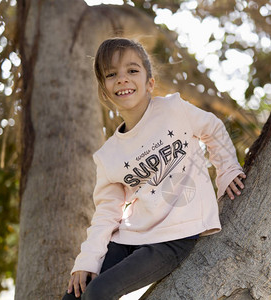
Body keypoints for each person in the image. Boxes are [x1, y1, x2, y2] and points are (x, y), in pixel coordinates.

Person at [62, 37, 246, 300]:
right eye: (112, 74)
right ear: (104, 90)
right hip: (131, 235)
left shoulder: (174, 110)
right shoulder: (108, 155)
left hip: (174, 238)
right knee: (74, 295)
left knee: (99, 293)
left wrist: (227, 170)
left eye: (132, 70)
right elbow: (106, 212)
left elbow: (213, 128)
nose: (122, 79)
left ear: (150, 82)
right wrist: (86, 260)